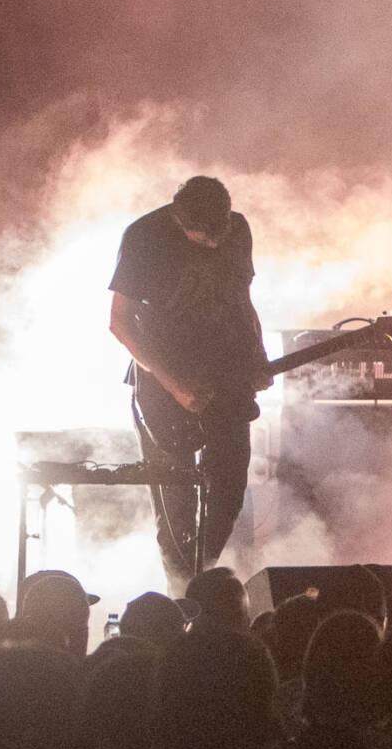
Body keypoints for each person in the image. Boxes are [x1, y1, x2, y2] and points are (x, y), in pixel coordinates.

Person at [108, 176, 270, 588]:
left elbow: (242, 300)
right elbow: (121, 324)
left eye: (220, 235)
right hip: (162, 383)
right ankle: (181, 593)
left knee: (230, 486)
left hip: (227, 373)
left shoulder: (239, 230)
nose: (214, 246)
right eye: (202, 240)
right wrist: (175, 385)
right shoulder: (144, 236)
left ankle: (198, 579)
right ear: (180, 221)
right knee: (175, 501)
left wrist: (259, 354)